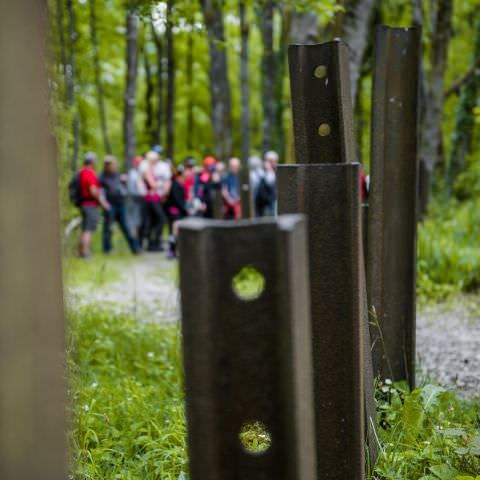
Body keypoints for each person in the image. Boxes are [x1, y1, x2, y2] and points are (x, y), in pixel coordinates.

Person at [99, 156, 140, 254]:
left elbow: (124, 187)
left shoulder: (118, 175)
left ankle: (135, 248)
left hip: (120, 204)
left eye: (113, 164)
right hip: (109, 205)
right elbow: (100, 192)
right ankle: (107, 249)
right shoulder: (102, 177)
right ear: (106, 165)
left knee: (126, 226)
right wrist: (104, 204)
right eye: (109, 164)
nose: (112, 166)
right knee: (108, 227)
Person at [78, 152, 109, 258]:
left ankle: (81, 251)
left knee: (85, 228)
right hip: (90, 204)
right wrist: (102, 203)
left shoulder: (81, 172)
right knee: (89, 229)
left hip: (84, 203)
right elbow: (93, 190)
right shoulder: (89, 173)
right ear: (92, 161)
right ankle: (85, 253)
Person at [141, 151, 166, 251]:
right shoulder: (147, 170)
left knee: (153, 221)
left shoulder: (152, 170)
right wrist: (160, 183)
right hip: (151, 199)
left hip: (155, 198)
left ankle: (153, 243)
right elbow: (153, 185)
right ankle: (152, 242)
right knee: (160, 219)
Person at [164, 165, 188, 259]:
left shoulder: (178, 184)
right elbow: (177, 200)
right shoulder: (175, 185)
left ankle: (174, 250)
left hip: (177, 211)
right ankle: (171, 250)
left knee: (175, 231)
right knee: (174, 230)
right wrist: (184, 209)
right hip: (174, 211)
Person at [126, 155, 146, 243]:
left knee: (142, 221)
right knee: (135, 220)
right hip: (135, 200)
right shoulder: (132, 173)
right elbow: (131, 189)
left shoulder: (144, 173)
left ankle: (140, 240)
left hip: (144, 200)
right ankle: (135, 241)